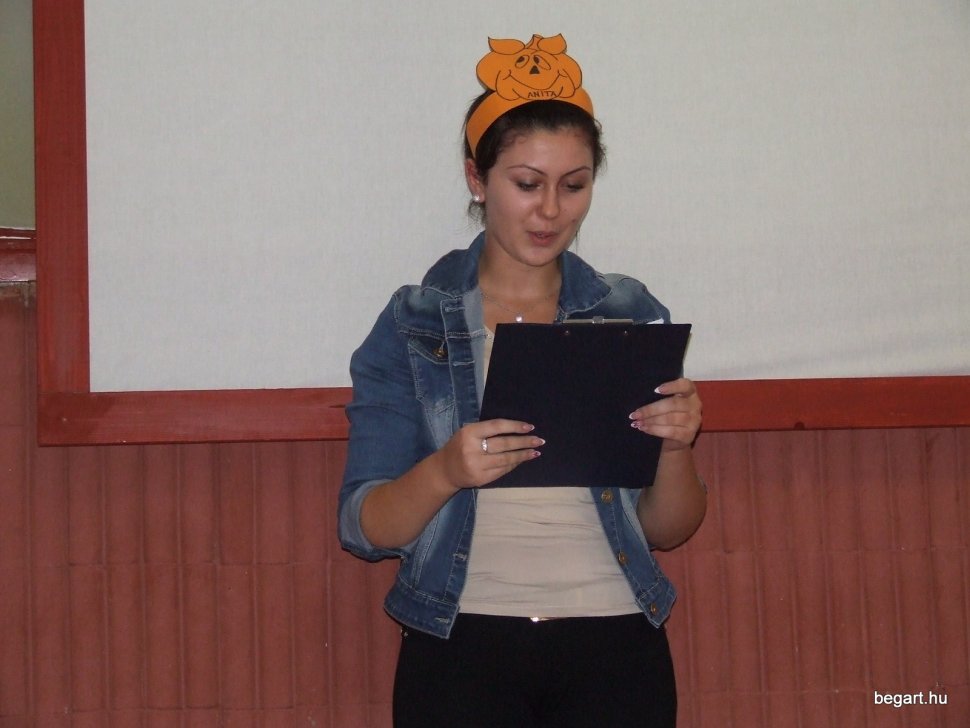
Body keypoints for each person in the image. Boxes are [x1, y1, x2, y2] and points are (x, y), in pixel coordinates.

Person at [338, 33, 706, 728]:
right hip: (460, 641)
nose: (552, 211)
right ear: (477, 180)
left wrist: (677, 446)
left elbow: (668, 528)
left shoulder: (629, 313)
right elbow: (362, 526)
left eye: (575, 185)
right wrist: (446, 471)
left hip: (615, 637)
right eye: (527, 184)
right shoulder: (415, 322)